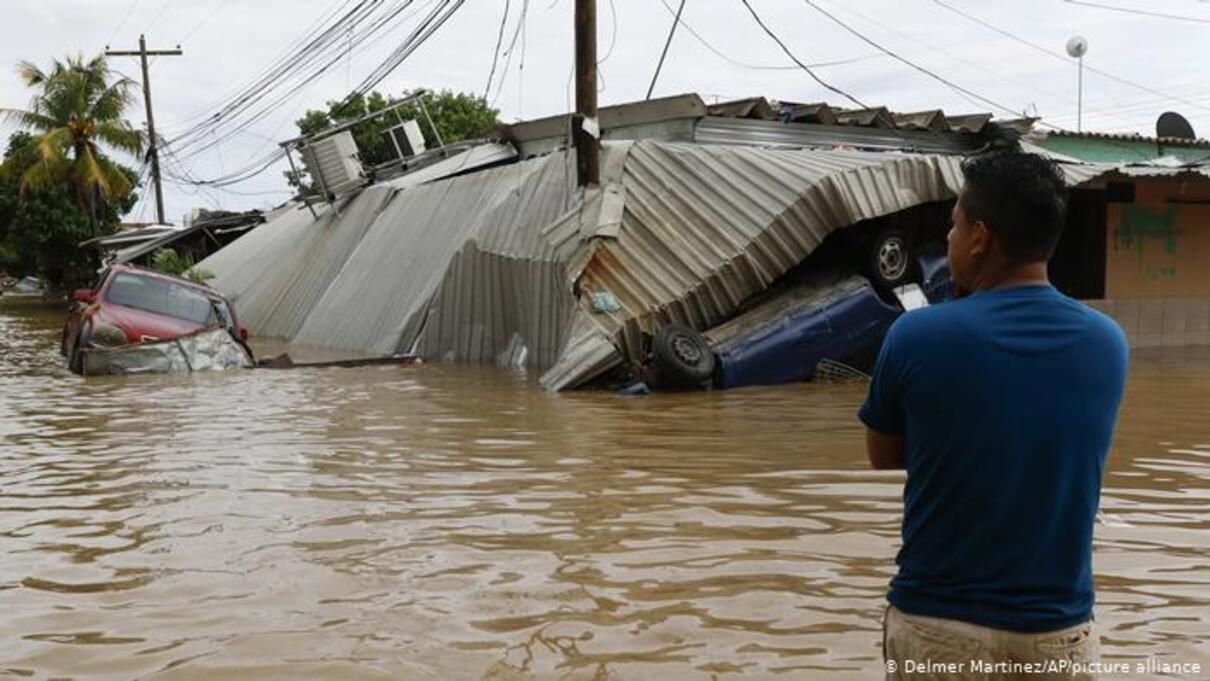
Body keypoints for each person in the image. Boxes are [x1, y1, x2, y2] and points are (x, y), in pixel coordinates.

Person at [859, 149, 1128, 680]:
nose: (951, 240)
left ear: (980, 237)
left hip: (938, 628)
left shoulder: (914, 335)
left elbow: (882, 454)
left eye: (954, 226)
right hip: (1057, 634)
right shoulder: (1109, 344)